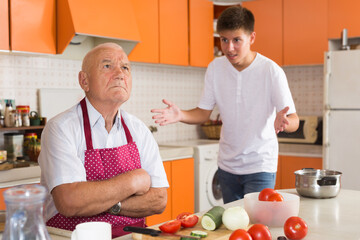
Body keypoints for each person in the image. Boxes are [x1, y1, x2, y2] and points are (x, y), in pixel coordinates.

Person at [151, 6, 299, 203]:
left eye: (236, 40)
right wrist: (180, 115)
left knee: (256, 226)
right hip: (227, 166)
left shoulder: (271, 71)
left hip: (260, 165)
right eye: (224, 40)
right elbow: (203, 113)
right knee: (232, 226)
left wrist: (285, 122)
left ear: (251, 38)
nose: (229, 48)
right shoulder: (215, 68)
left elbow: (294, 119)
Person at [38, 43, 169, 238]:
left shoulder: (139, 130)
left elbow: (158, 200)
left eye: (125, 67)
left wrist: (107, 204)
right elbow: (70, 201)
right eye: (107, 66)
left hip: (131, 236)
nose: (119, 74)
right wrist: (134, 181)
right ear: (84, 81)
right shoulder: (61, 128)